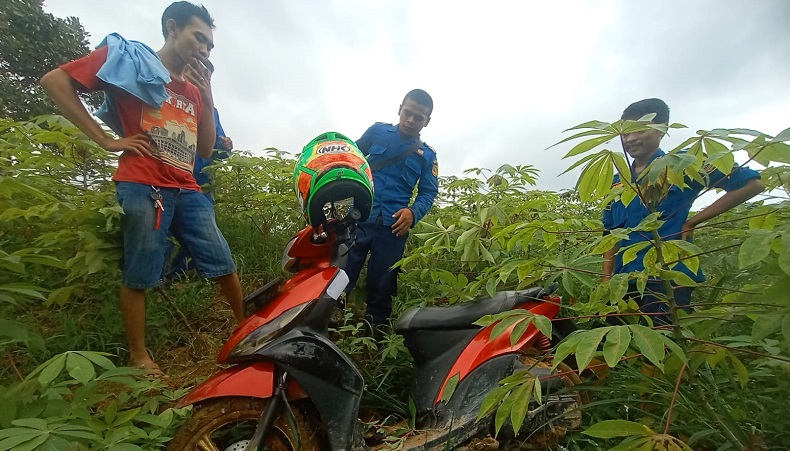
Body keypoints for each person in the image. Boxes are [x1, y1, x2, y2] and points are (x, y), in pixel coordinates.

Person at [40, 1, 244, 375]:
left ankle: (246, 330)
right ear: (173, 28)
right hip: (143, 185)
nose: (205, 49)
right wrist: (106, 140)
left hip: (187, 188)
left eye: (210, 45)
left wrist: (208, 97)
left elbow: (203, 149)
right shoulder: (131, 61)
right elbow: (55, 81)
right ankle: (139, 356)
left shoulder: (194, 89)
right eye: (199, 38)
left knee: (224, 264)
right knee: (140, 273)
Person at [602, 98, 764, 325]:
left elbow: (751, 185)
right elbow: (610, 233)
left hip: (667, 275)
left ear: (662, 130)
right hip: (623, 279)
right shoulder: (617, 182)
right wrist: (606, 278)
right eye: (625, 132)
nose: (630, 139)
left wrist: (693, 221)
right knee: (613, 342)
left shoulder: (683, 163)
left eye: (640, 130)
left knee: (665, 342)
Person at [343, 89, 439, 329]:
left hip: (394, 228)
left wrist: (413, 213)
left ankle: (374, 336)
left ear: (427, 121)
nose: (411, 120)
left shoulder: (428, 155)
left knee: (382, 286)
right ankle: (328, 327)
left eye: (418, 117)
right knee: (340, 278)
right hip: (360, 217)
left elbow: (428, 193)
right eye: (407, 113)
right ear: (399, 110)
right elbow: (350, 158)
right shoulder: (377, 132)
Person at [163, 59, 233, 279]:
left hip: (203, 182)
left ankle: (178, 276)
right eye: (198, 72)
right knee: (162, 230)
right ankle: (157, 279)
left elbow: (215, 148)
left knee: (200, 231)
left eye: (207, 76)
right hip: (170, 177)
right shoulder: (170, 98)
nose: (203, 79)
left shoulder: (212, 111)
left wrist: (225, 147)